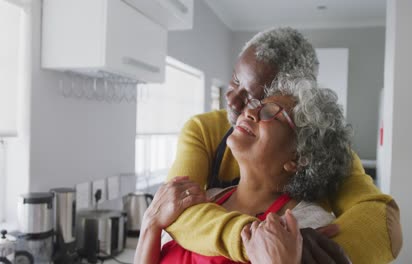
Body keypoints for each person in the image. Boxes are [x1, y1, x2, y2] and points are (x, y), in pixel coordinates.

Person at [163, 27, 402, 263]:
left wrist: (306, 254)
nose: (235, 101)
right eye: (235, 80)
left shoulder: (320, 152)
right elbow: (176, 209)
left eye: (258, 99)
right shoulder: (203, 130)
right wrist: (254, 240)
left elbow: (384, 223)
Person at [135, 81, 352, 263]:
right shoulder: (203, 199)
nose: (248, 112)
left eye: (270, 112)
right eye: (256, 105)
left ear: (297, 157)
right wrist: (150, 224)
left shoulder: (309, 224)